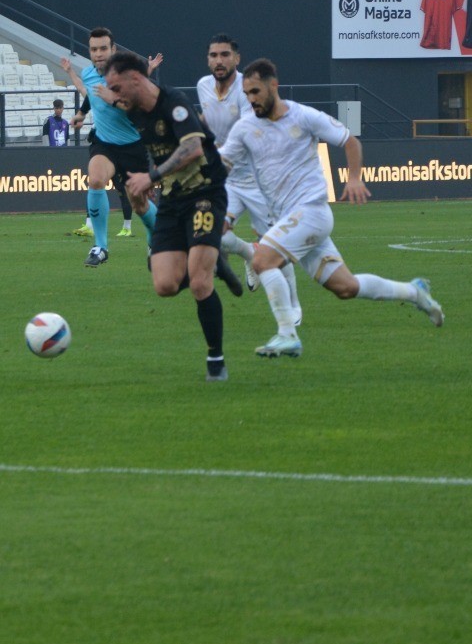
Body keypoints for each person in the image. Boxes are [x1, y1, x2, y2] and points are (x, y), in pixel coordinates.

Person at [217, 57, 444, 358]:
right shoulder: (245, 127)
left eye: (256, 92)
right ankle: (415, 292)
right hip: (291, 220)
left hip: (311, 211)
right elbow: (221, 165)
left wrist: (353, 178)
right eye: (246, 94)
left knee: (261, 261)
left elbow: (350, 141)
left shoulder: (304, 116)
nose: (251, 100)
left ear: (274, 85)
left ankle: (287, 334)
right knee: (346, 287)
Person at [102, 50, 232, 382]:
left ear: (136, 78)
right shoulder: (135, 111)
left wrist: (151, 177)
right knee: (164, 285)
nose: (116, 97)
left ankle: (215, 359)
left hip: (205, 193)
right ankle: (212, 261)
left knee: (199, 285)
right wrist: (147, 184)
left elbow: (192, 149)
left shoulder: (174, 102)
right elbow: (155, 148)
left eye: (117, 89)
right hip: (173, 201)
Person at [197, 33, 303, 330]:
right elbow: (209, 121)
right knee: (213, 235)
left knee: (276, 246)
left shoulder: (247, 90)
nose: (219, 60)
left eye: (225, 55)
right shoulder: (203, 86)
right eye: (214, 55)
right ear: (208, 60)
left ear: (236, 59)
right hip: (227, 180)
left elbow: (243, 133)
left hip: (257, 179)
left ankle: (294, 303)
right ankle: (247, 251)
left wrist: (206, 155)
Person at [61, 30, 160, 267]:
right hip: (104, 143)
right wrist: (81, 114)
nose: (98, 54)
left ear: (113, 50)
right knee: (95, 180)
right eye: (94, 49)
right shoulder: (88, 74)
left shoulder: (127, 76)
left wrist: (112, 99)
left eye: (103, 48)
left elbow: (139, 107)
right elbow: (90, 96)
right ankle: (100, 247)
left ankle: (155, 239)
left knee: (140, 204)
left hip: (132, 147)